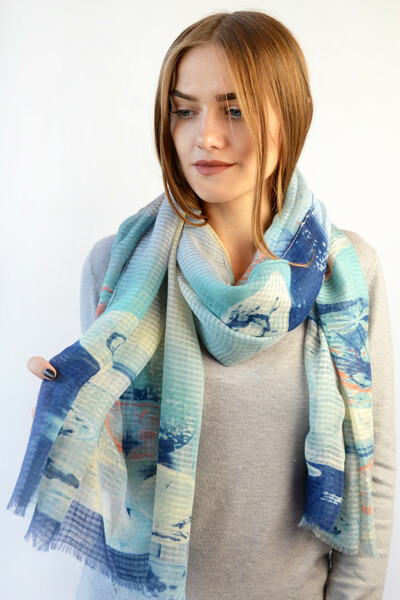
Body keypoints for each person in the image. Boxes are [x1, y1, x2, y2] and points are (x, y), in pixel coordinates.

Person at [17, 9, 395, 600]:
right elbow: (111, 478)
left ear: (292, 114)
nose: (206, 136)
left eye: (234, 109)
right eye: (184, 110)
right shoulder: (115, 269)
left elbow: (374, 477)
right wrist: (71, 410)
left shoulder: (344, 274)